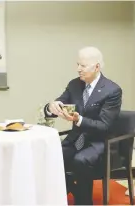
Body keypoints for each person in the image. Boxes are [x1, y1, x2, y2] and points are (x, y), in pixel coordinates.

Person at [45, 47, 122, 205]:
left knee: (81, 160)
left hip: (99, 142)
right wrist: (51, 107)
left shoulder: (112, 90)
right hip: (76, 139)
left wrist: (79, 120)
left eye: (83, 66)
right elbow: (60, 104)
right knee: (50, 155)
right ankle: (70, 193)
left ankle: (83, 202)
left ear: (97, 67)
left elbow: (105, 125)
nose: (78, 69)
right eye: (78, 64)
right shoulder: (74, 84)